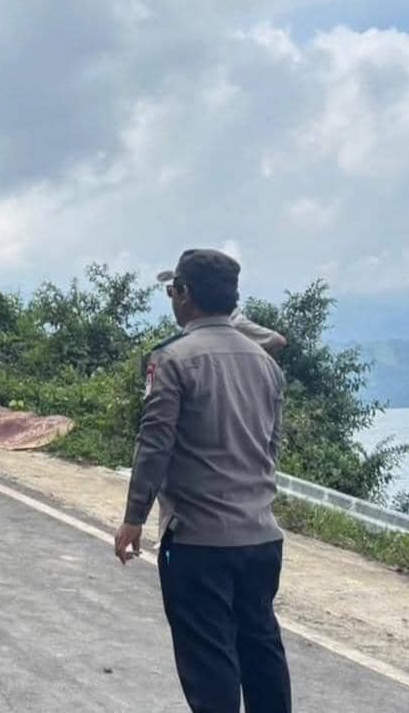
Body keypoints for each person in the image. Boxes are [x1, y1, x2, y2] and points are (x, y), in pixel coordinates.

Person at [116, 249, 290, 713]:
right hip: (261, 538)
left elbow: (155, 444)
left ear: (185, 294)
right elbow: (270, 449)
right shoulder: (266, 364)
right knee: (262, 651)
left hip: (198, 542)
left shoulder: (173, 359)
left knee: (210, 663)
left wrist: (134, 518)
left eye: (172, 290)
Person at [157, 269, 287, 355]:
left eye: (172, 291)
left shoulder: (234, 324)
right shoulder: (196, 333)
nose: (173, 298)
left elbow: (277, 341)